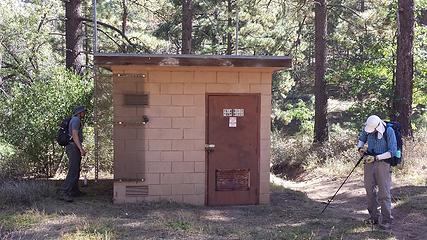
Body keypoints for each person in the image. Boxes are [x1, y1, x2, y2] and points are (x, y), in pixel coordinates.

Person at [357, 115, 397, 230]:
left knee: (384, 193)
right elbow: (361, 140)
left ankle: (386, 220)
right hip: (369, 162)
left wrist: (376, 158)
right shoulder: (368, 128)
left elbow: (392, 151)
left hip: (383, 164)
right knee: (369, 190)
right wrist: (360, 149)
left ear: (377, 126)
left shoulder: (388, 131)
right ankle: (373, 217)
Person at [59, 106, 87, 202]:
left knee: (76, 169)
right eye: (83, 111)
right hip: (73, 147)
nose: (84, 113)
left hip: (73, 147)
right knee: (73, 171)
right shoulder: (76, 120)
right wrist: (81, 149)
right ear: (79, 112)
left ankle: (74, 190)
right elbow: (75, 135)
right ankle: (64, 192)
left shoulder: (75, 120)